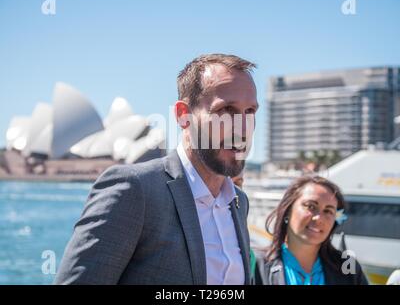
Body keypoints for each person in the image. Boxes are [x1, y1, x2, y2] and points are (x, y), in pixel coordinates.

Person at [54, 53, 259, 284]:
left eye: (250, 111)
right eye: (226, 110)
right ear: (183, 115)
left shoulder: (239, 202)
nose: (242, 128)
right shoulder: (134, 190)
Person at [254, 175, 368, 285]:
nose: (319, 218)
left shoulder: (348, 269)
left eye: (328, 211)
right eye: (311, 206)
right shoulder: (254, 265)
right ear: (288, 210)